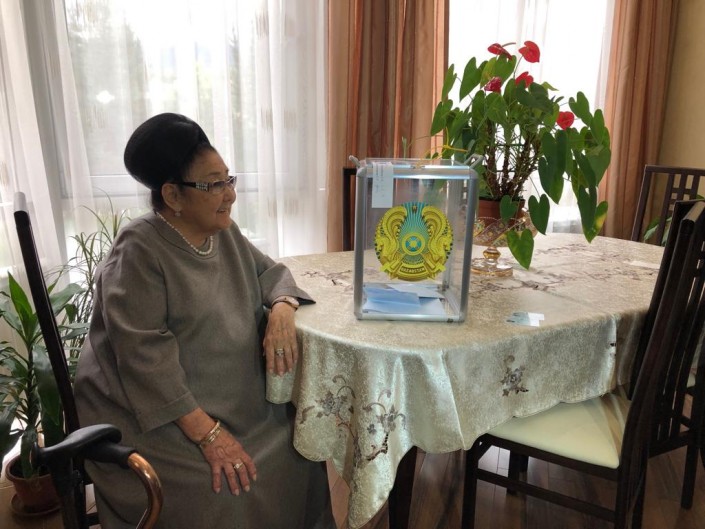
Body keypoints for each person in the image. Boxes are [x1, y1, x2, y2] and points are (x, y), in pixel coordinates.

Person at [74, 113, 335, 528]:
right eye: (213, 185)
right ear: (173, 196)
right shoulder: (138, 252)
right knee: (230, 486)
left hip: (230, 398)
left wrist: (283, 309)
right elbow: (144, 361)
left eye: (228, 179)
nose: (229, 194)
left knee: (302, 444)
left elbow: (272, 274)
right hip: (152, 414)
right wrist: (210, 436)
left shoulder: (221, 230)